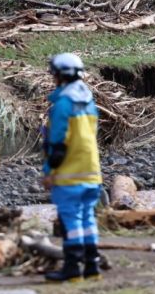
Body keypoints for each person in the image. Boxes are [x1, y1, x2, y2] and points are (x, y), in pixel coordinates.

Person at [42, 53, 103, 283]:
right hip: (91, 171)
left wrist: (49, 172)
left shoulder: (62, 105)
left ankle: (72, 268)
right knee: (88, 218)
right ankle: (92, 266)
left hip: (69, 174)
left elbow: (57, 146)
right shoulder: (89, 101)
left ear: (58, 75)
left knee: (71, 221)